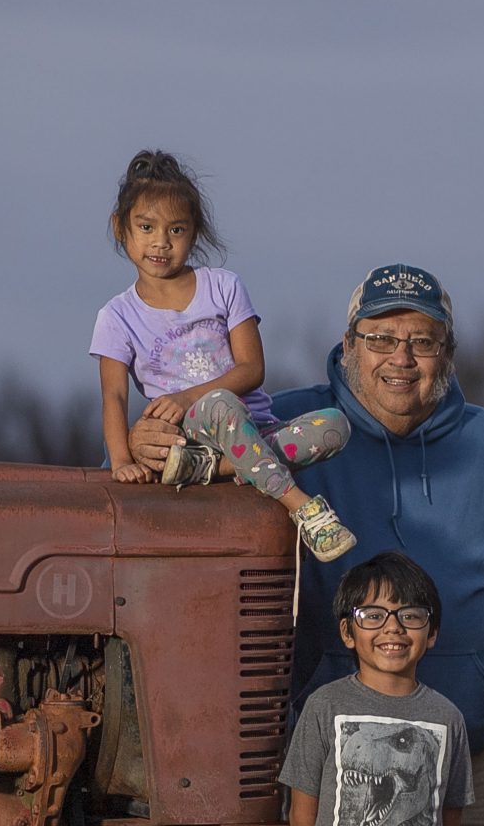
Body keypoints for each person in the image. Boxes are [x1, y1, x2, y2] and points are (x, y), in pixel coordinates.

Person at [136, 264, 484, 826]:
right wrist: (147, 442)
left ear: (447, 353)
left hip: (470, 754)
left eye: (422, 341)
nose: (401, 358)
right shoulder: (288, 429)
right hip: (333, 757)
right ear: (349, 344)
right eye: (382, 337)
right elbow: (193, 443)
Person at [88, 149, 356, 560]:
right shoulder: (117, 316)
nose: (161, 242)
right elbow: (114, 397)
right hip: (189, 430)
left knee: (335, 426)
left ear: (194, 233)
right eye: (146, 227)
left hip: (253, 429)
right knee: (218, 405)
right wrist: (122, 461)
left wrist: (186, 395)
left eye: (176, 230)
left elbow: (252, 369)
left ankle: (213, 468)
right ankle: (303, 508)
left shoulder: (224, 287)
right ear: (121, 228)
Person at [282, 552, 475, 826]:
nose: (392, 628)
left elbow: (446, 825)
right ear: (348, 632)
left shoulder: (448, 718)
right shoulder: (323, 706)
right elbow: (303, 816)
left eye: (410, 615)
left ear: (432, 633)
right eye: (373, 615)